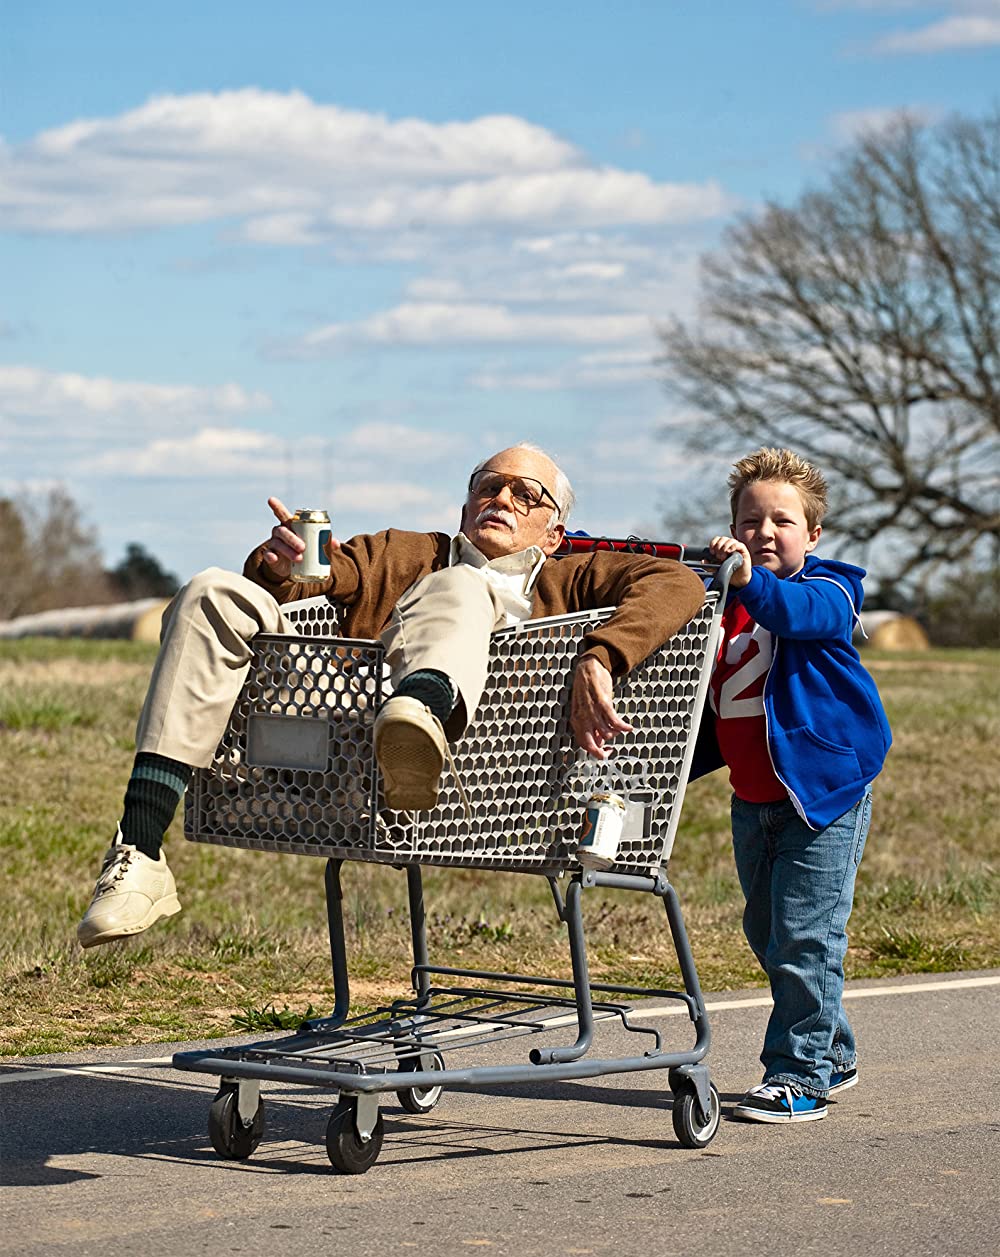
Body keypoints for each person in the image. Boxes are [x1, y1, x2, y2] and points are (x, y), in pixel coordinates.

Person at [78, 442, 706, 948]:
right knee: (210, 590)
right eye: (487, 486)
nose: (501, 498)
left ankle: (422, 715)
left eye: (525, 493)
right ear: (464, 509)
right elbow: (321, 579)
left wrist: (601, 654)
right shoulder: (410, 553)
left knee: (462, 587)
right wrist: (281, 564)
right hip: (341, 744)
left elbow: (678, 584)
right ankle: (139, 847)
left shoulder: (576, 576)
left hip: (481, 779)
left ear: (553, 531)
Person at [701, 447, 891, 1124]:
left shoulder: (832, 590)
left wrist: (751, 582)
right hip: (754, 800)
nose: (764, 531)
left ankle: (799, 1071)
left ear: (812, 534)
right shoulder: (723, 606)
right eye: (749, 519)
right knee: (768, 930)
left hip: (824, 796)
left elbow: (794, 612)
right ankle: (834, 1049)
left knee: (806, 938)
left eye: (783, 519)